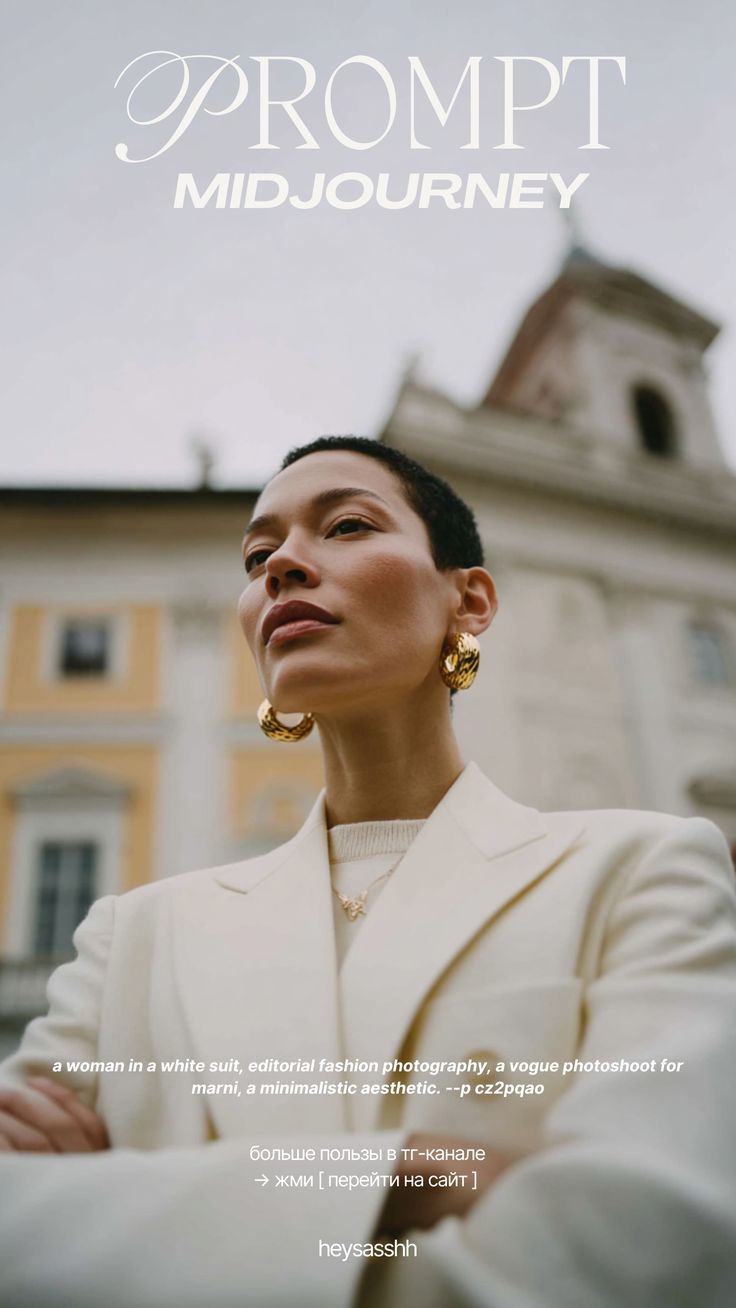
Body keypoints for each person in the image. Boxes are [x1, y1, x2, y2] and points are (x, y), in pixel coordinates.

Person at [1, 434, 736, 1308]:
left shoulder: (641, 869)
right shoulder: (131, 937)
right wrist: (407, 1173)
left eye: (346, 525)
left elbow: (650, 1244)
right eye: (258, 555)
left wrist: (134, 1217)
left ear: (469, 600)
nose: (282, 569)